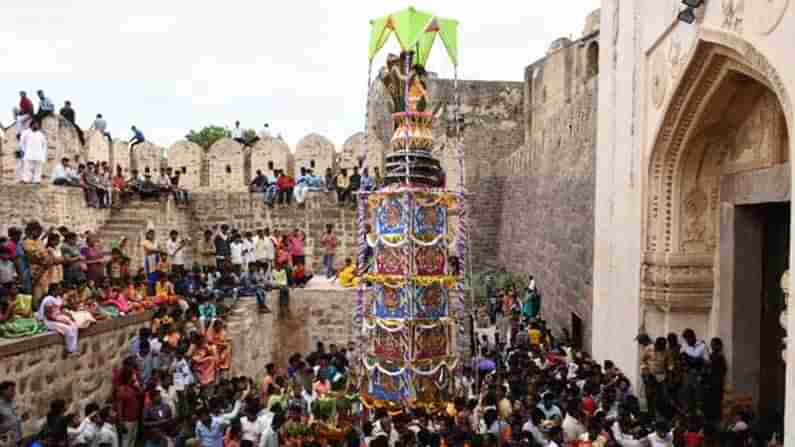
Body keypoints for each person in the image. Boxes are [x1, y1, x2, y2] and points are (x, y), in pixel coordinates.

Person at [36, 284, 80, 354]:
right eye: (58, 289)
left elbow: (60, 309)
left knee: (74, 325)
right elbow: (48, 316)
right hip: (49, 321)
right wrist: (61, 321)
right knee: (67, 329)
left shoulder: (58, 298)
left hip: (57, 317)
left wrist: (68, 315)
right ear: (53, 290)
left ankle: (73, 347)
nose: (60, 290)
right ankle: (70, 349)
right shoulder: (48, 300)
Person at [19, 120, 48, 184]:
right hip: (29, 153)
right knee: (27, 167)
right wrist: (23, 150)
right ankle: (26, 180)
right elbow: (21, 142)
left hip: (39, 154)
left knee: (38, 168)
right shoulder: (26, 132)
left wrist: (44, 154)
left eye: (37, 125)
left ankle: (37, 180)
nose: (37, 126)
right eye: (36, 124)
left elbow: (44, 144)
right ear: (32, 125)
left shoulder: (41, 134)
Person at [0, 381, 21, 446]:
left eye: (14, 390)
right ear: (3, 391)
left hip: (18, 439)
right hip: (7, 442)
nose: (14, 393)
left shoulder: (13, 403)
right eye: (12, 390)